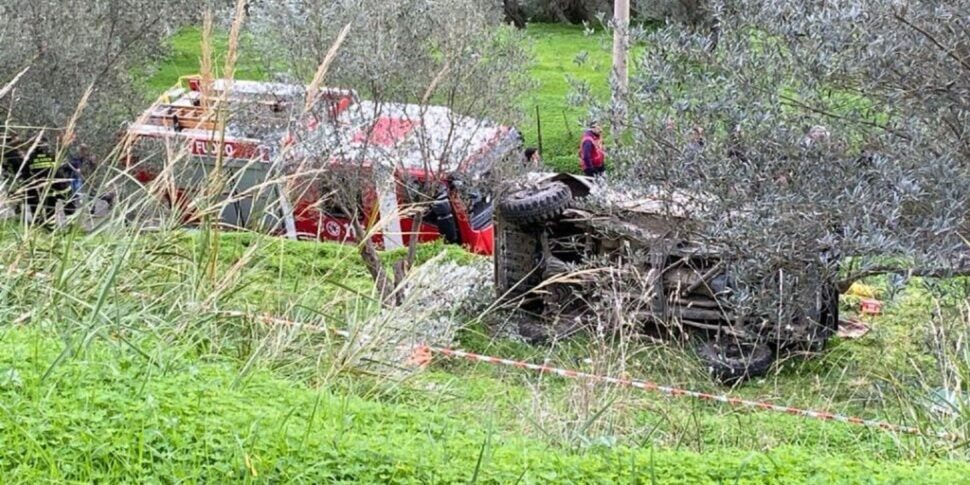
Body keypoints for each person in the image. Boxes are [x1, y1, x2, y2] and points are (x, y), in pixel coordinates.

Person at [23, 138, 75, 229]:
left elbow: (27, 174)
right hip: (62, 186)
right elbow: (63, 167)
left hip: (48, 190)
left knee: (49, 210)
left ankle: (50, 229)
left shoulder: (30, 158)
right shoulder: (52, 155)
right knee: (70, 208)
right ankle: (71, 227)